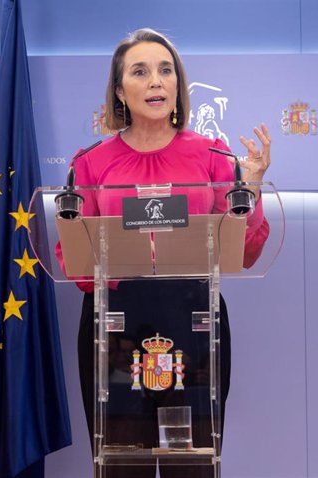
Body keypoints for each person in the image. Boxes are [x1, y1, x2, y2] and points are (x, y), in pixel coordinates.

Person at [61, 28, 271, 478]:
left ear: (178, 85)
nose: (155, 81)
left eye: (165, 70)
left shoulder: (215, 157)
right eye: (140, 71)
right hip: (114, 327)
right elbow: (74, 265)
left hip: (192, 322)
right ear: (119, 91)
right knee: (122, 462)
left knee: (190, 463)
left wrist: (248, 189)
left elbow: (248, 252)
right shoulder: (90, 163)